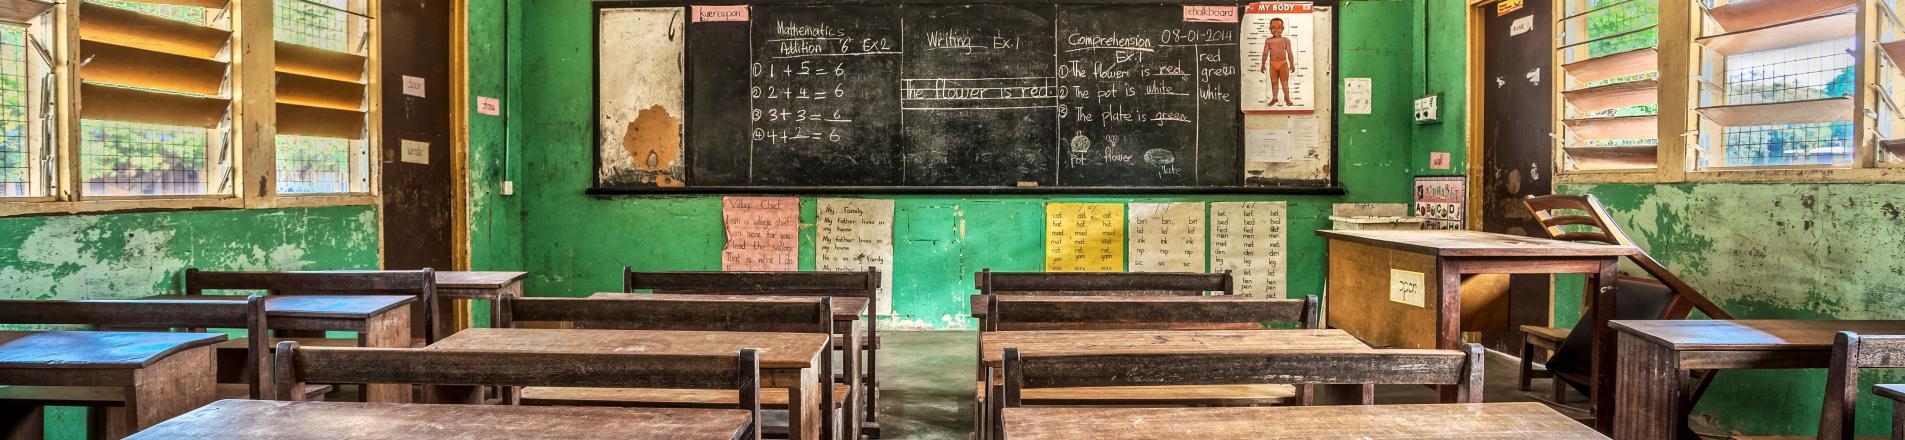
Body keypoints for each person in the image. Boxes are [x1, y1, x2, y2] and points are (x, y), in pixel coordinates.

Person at [1257, 18, 1296, 106]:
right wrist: (1263, 64)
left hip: (1283, 64)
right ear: (1270, 28)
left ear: (1283, 28)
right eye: (1273, 27)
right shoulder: (1268, 41)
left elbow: (1289, 53)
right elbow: (1265, 53)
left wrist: (1292, 64)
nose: (1276, 30)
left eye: (1279, 27)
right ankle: (1275, 98)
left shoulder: (1286, 40)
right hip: (1272, 64)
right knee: (1274, 82)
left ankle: (1287, 98)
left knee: (1284, 83)